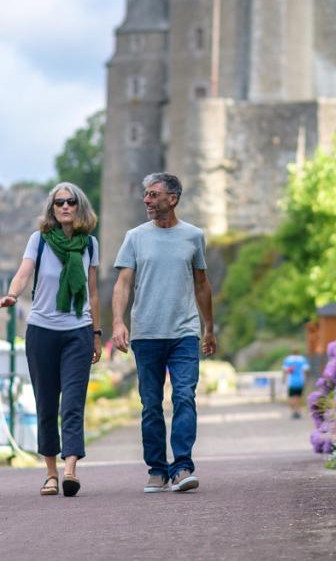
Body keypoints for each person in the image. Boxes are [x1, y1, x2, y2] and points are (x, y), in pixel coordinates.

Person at [111, 172, 216, 493]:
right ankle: (157, 468)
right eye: (146, 194)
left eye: (154, 195)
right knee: (151, 404)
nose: (147, 200)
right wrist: (118, 321)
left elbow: (201, 284)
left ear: (173, 199)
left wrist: (209, 327)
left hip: (184, 332)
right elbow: (124, 282)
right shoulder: (135, 237)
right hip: (146, 333)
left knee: (185, 397)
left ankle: (182, 466)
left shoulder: (193, 236)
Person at [0, 182, 101, 497]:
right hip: (42, 331)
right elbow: (23, 272)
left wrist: (97, 334)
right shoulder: (39, 240)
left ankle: (70, 469)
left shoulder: (90, 244)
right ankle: (51, 472)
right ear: (52, 209)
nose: (66, 207)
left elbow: (94, 292)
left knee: (72, 402)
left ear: (79, 206)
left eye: (71, 201)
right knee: (46, 403)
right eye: (60, 203)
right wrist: (12, 294)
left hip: (78, 332)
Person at [282, 352, 310, 419]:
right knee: (299, 397)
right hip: (300, 381)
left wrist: (284, 379)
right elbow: (305, 371)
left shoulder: (288, 359)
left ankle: (293, 411)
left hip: (291, 382)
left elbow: (285, 371)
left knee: (291, 397)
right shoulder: (302, 359)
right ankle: (298, 410)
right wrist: (305, 381)